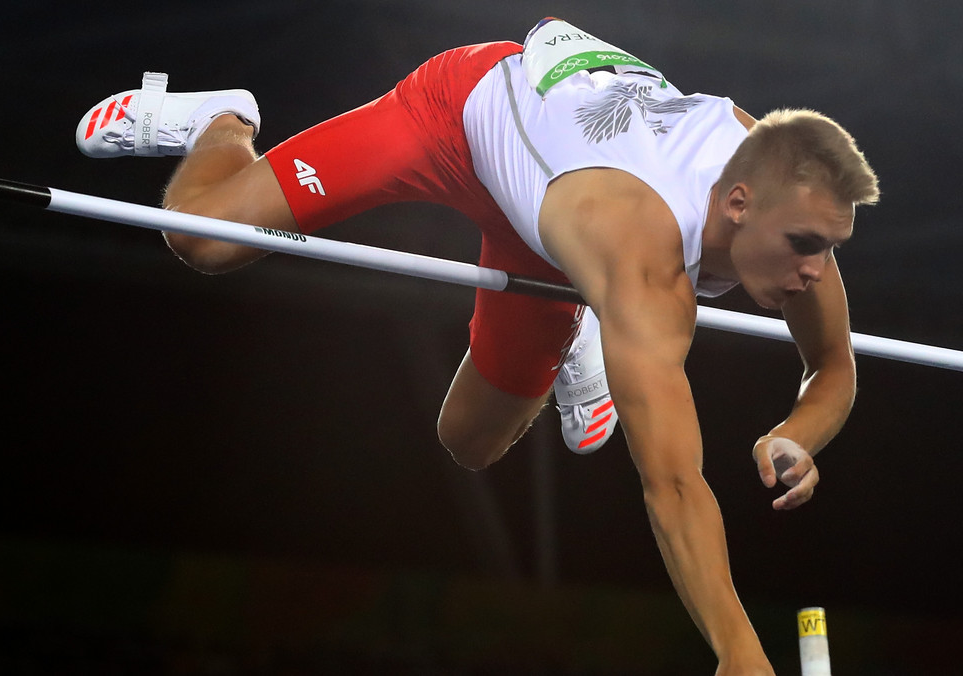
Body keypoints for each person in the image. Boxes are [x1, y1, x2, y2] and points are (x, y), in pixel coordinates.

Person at [75, 17, 878, 675]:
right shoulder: (642, 260)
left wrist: (795, 436)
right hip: (454, 118)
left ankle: (582, 317)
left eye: (827, 248)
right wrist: (739, 652)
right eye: (805, 245)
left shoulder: (794, 210)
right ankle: (221, 121)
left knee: (470, 441)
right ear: (738, 205)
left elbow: (833, 366)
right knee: (202, 239)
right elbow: (672, 483)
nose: (815, 270)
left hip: (558, 217)